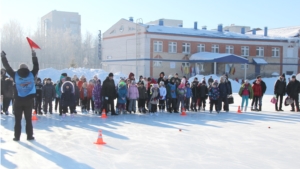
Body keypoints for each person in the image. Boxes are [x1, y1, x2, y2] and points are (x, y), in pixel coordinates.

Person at [1, 50, 38, 141]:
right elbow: (36, 66)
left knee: (17, 120)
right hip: (28, 101)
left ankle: (17, 137)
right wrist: (33, 55)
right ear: (27, 68)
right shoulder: (31, 74)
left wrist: (3, 57)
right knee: (28, 119)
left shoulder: (15, 75)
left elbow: (7, 67)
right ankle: (29, 136)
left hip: (18, 101)